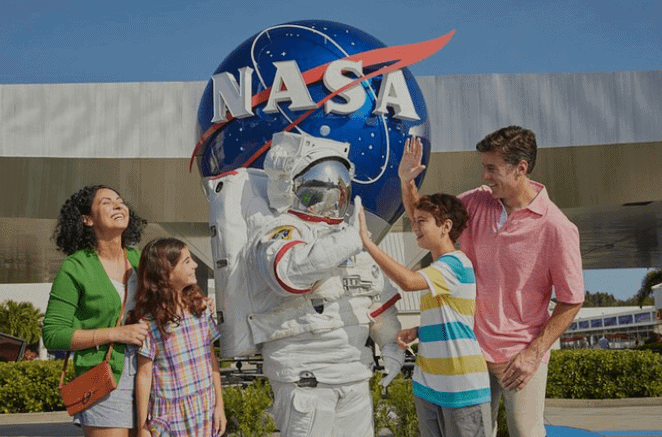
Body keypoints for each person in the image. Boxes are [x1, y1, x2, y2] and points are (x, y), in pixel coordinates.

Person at [207, 131, 404, 437]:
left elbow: (375, 296)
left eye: (339, 188)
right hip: (307, 378)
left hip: (354, 373)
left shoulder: (350, 236)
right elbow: (288, 273)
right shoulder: (278, 230)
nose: (333, 198)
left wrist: (390, 344)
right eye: (323, 188)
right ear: (293, 187)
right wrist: (351, 239)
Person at [399, 127, 585, 437]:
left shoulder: (556, 227)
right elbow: (424, 219)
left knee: (526, 431)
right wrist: (407, 181)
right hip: (471, 351)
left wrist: (533, 354)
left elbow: (572, 299)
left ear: (520, 168)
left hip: (519, 356)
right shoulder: (476, 202)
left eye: (492, 168)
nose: (485, 176)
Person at [357, 193, 491, 437]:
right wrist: (419, 331)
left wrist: (368, 244)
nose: (415, 227)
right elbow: (451, 316)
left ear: (446, 226)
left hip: (461, 389)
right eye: (414, 220)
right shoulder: (437, 271)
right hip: (428, 387)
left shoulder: (456, 264)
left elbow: (407, 282)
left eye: (422, 221)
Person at [42, 185, 149, 436]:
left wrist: (197, 303)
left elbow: (170, 302)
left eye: (120, 201)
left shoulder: (142, 259)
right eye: (106, 202)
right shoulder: (75, 268)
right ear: (87, 219)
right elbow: (53, 335)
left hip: (151, 372)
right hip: (105, 380)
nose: (117, 205)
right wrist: (116, 333)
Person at [129, 238, 226, 437]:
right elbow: (145, 375)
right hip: (170, 416)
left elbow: (211, 360)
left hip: (205, 409)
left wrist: (220, 406)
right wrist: (142, 427)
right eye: (187, 261)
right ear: (165, 272)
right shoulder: (149, 322)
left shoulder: (200, 309)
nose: (195, 265)